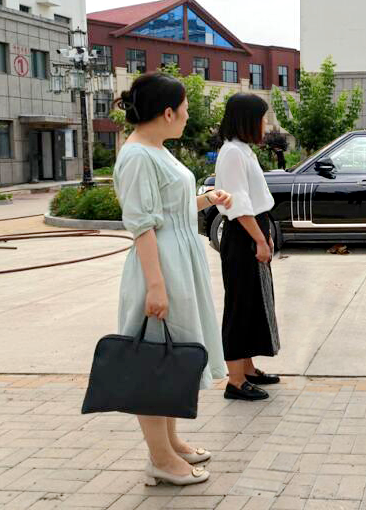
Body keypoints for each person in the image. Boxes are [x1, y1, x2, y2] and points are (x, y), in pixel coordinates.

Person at [112, 73, 232, 486]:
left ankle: (170, 442)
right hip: (160, 265)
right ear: (167, 113)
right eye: (184, 109)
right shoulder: (136, 156)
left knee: (171, 353)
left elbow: (169, 208)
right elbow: (143, 225)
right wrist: (156, 285)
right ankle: (160, 459)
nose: (187, 116)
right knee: (154, 361)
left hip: (177, 261)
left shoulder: (156, 149)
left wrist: (207, 199)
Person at [214, 93, 281, 401]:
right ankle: (235, 380)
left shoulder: (242, 150)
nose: (265, 123)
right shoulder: (232, 153)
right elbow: (238, 203)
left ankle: (248, 369)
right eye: (262, 118)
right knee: (240, 305)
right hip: (243, 235)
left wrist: (264, 235)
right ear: (247, 120)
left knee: (253, 303)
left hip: (253, 230)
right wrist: (259, 239)